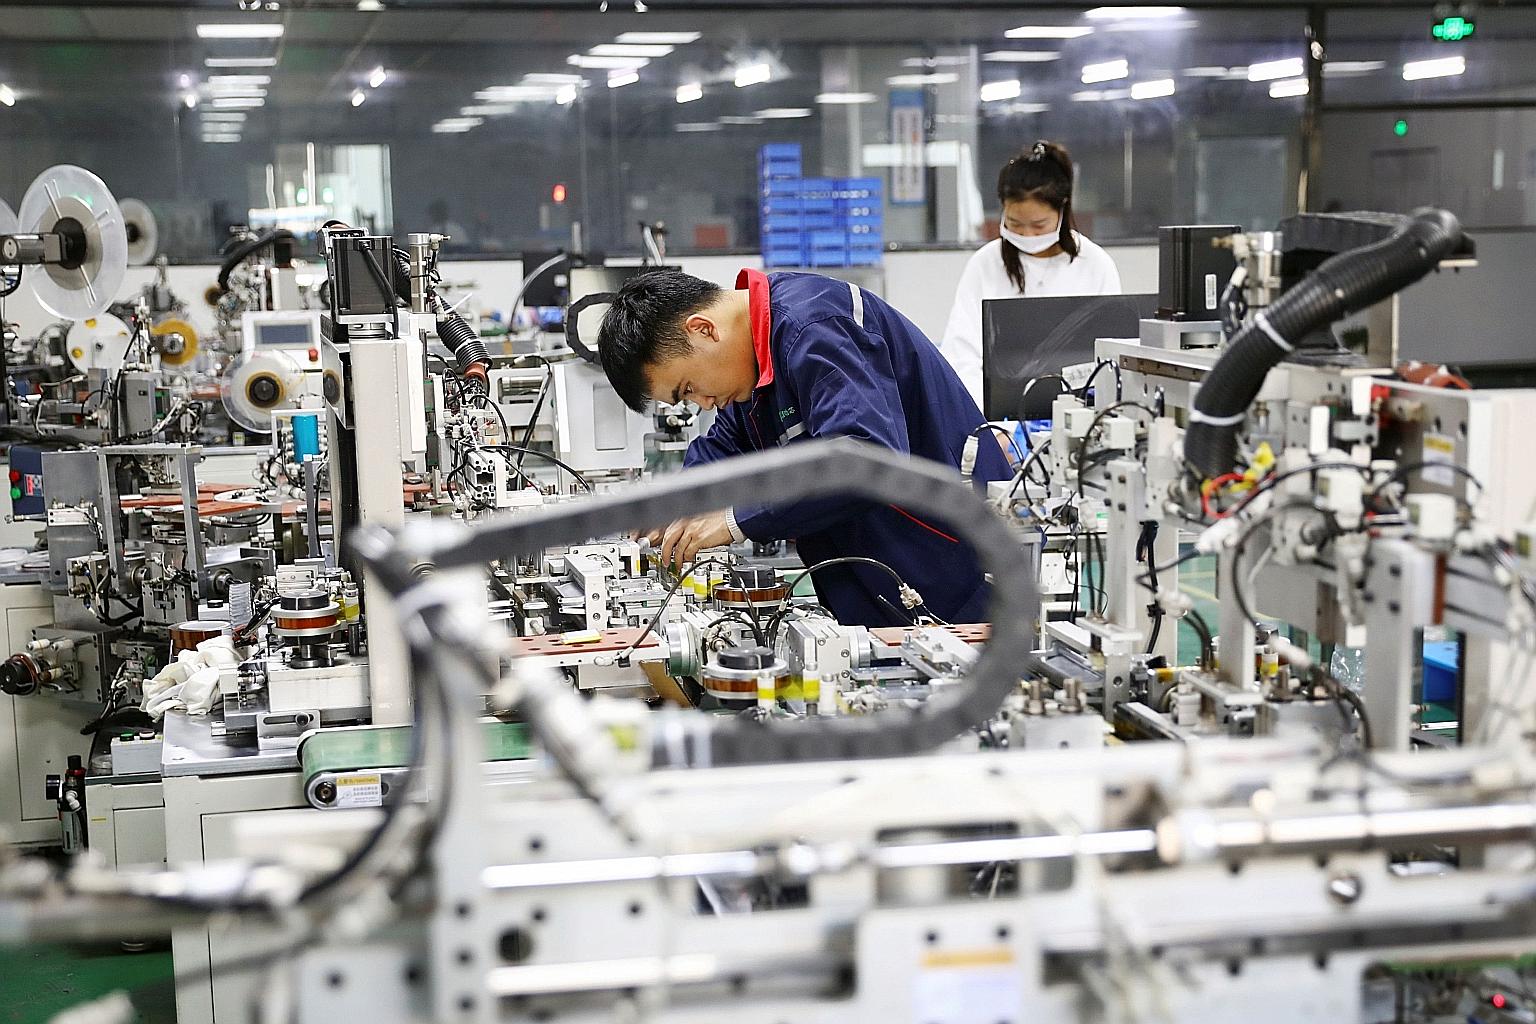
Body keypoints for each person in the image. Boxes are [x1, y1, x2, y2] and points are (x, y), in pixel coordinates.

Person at [596, 268, 1010, 627]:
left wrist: (734, 520)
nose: (701, 403)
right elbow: (725, 443)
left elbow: (866, 459)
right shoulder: (753, 361)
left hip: (958, 577)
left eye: (687, 388)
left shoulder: (814, 326)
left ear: (703, 329)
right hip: (882, 583)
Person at [940, 140, 1122, 407]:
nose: (1026, 235)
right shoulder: (986, 264)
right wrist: (989, 423)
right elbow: (961, 356)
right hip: (995, 416)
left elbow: (1109, 358)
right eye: (1014, 223)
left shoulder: (1095, 264)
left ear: (1062, 210)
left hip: (1079, 413)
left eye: (1039, 225)